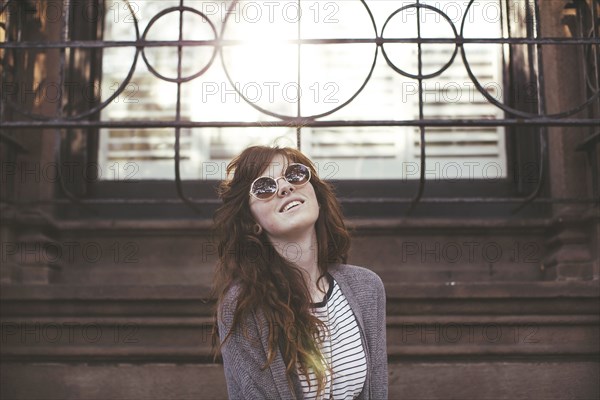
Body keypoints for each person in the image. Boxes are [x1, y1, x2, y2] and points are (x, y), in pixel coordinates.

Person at [211, 145, 388, 399]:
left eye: (294, 174)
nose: (284, 187)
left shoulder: (367, 288)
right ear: (253, 222)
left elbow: (377, 392)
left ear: (314, 191)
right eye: (264, 187)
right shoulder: (242, 304)